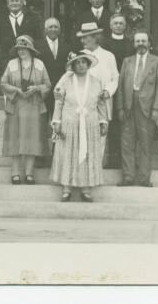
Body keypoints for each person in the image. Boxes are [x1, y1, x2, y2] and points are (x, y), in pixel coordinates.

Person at [49, 51, 109, 202]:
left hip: (90, 122)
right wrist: (56, 121)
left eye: (84, 62)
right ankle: (66, 189)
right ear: (73, 66)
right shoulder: (66, 80)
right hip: (69, 121)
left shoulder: (95, 81)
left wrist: (103, 121)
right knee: (68, 153)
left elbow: (101, 103)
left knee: (87, 154)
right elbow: (59, 101)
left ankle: (86, 189)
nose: (81, 65)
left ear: (88, 64)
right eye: (78, 63)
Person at [115, 30, 158, 187]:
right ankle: (128, 177)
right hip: (129, 106)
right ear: (134, 44)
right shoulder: (127, 61)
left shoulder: (156, 62)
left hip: (147, 108)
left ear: (149, 43)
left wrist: (157, 108)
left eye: (143, 41)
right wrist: (120, 108)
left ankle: (144, 178)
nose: (141, 44)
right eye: (138, 41)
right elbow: (121, 86)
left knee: (145, 144)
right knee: (127, 144)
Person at [0, 35, 52, 185]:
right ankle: (15, 173)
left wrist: (37, 88)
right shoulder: (11, 64)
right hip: (16, 105)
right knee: (15, 138)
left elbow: (48, 84)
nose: (21, 51)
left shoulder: (40, 64)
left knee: (33, 139)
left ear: (30, 50)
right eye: (19, 49)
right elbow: (3, 83)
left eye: (24, 48)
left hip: (34, 106)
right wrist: (16, 90)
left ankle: (29, 173)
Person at [69, 22, 119, 167]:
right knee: (81, 141)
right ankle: (81, 174)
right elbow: (70, 79)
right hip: (81, 107)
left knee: (99, 140)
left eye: (85, 37)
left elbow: (115, 78)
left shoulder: (108, 56)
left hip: (101, 106)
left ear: (95, 38)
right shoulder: (78, 56)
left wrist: (107, 91)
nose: (82, 40)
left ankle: (95, 173)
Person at [0, 0, 42, 73]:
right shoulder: (1, 21)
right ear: (8, 5)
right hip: (6, 65)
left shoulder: (31, 20)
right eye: (11, 1)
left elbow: (39, 41)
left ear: (22, 3)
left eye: (16, 1)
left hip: (28, 65)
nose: (14, 3)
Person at [34, 17, 67, 117]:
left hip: (61, 89)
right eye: (50, 27)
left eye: (55, 27)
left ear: (59, 29)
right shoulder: (36, 45)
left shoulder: (67, 45)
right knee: (42, 121)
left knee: (59, 120)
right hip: (43, 89)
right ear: (45, 30)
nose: (53, 29)